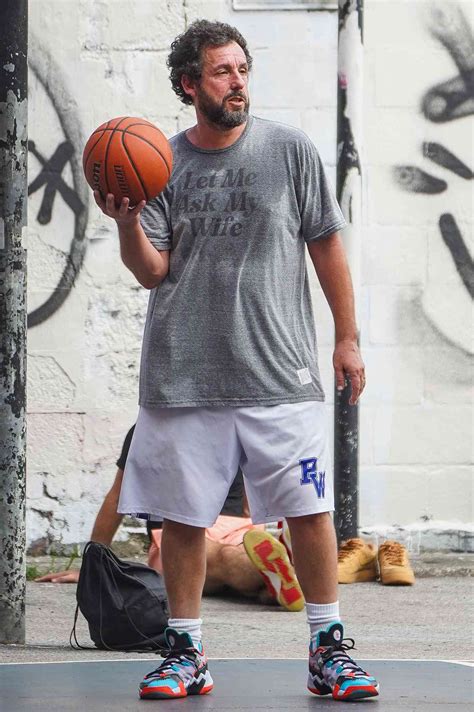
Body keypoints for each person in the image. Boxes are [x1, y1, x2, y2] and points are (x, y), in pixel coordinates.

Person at [93, 19, 378, 702]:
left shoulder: (289, 150)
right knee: (186, 519)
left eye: (243, 69)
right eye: (222, 72)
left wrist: (347, 336)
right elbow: (152, 272)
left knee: (310, 512)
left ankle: (326, 646)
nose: (238, 82)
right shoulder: (158, 161)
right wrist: (129, 220)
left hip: (279, 371)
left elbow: (327, 243)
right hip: (183, 372)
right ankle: (186, 651)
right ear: (190, 82)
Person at [36, 426, 304, 610]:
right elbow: (248, 489)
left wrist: (93, 566)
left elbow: (118, 497)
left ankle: (272, 576)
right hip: (237, 527)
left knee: (217, 558)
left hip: (178, 529)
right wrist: (252, 524)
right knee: (234, 556)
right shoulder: (235, 421)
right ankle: (279, 574)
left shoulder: (151, 424)